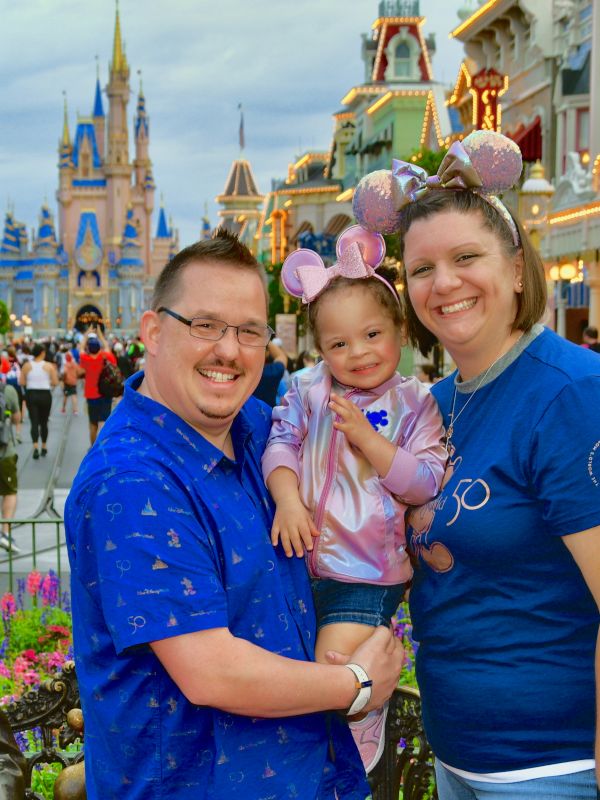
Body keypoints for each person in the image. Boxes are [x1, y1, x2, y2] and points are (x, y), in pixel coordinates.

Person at [64, 229, 404, 799]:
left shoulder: (258, 430)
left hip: (313, 777)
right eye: (205, 325)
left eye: (249, 331)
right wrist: (358, 683)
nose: (229, 350)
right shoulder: (130, 480)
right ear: (152, 331)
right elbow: (211, 671)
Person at [353, 129, 600, 798]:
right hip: (458, 755)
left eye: (467, 257)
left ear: (517, 266)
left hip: (553, 767)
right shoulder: (432, 406)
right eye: (422, 268)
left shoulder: (569, 393)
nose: (445, 283)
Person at [263, 226, 446, 772]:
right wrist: (288, 501)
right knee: (300, 672)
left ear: (400, 331)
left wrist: (369, 439)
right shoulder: (304, 389)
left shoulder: (416, 403)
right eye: (339, 344)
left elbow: (424, 482)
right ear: (319, 349)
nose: (358, 353)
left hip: (366, 573)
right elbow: (280, 445)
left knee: (336, 664)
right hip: (300, 565)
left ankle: (362, 726)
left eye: (372, 335)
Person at [78, 329, 117, 447]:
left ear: (88, 349)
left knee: (93, 423)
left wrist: (85, 334)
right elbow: (107, 347)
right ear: (99, 348)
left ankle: (93, 447)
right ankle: (104, 446)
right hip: (106, 394)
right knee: (105, 423)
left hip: (91, 395)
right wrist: (100, 334)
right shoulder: (106, 357)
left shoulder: (86, 359)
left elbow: (80, 348)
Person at [19, 343, 58, 460]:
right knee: (44, 422)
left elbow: (22, 382)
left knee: (34, 421)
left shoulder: (26, 366)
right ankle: (44, 446)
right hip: (45, 394)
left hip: (32, 394)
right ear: (42, 353)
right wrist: (46, 382)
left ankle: (35, 446)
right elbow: (55, 382)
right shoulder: (49, 366)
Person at [0, 379, 21, 553]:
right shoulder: (8, 390)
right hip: (4, 451)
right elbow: (16, 418)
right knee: (9, 492)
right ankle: (5, 533)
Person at [252, 338, 288, 406]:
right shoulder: (272, 372)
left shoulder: (235, 373)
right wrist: (264, 335)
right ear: (267, 353)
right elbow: (281, 356)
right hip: (268, 415)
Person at [60, 351, 84, 415]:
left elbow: (64, 373)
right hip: (73, 382)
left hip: (67, 382)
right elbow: (79, 372)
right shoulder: (75, 364)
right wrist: (76, 376)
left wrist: (63, 379)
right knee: (74, 395)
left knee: (65, 396)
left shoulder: (66, 365)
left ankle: (63, 408)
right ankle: (75, 410)